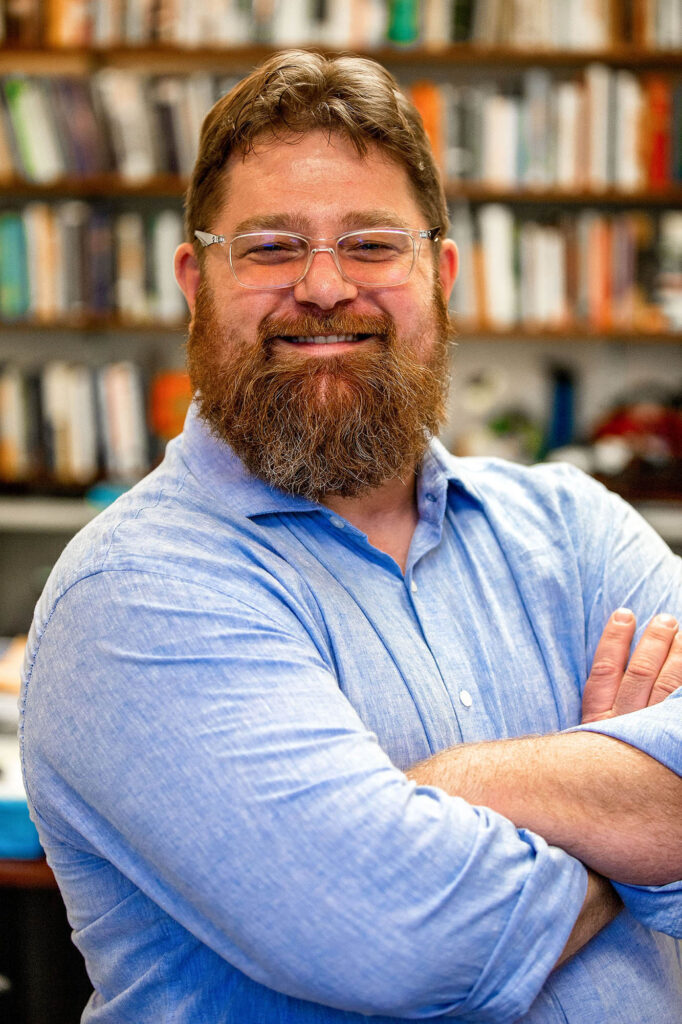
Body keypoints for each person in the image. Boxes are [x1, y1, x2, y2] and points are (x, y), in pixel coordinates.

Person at [20, 50, 681, 1023]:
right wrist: (631, 829)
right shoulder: (130, 593)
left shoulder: (576, 530)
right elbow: (407, 939)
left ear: (440, 273)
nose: (325, 286)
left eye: (372, 243)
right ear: (194, 283)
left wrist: (455, 785)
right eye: (272, 246)